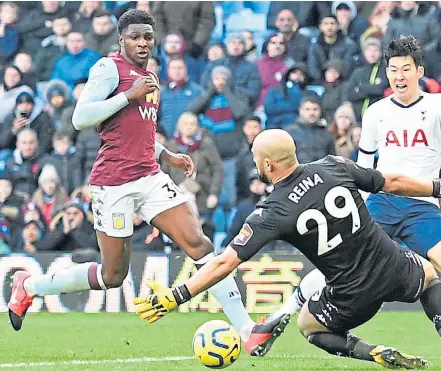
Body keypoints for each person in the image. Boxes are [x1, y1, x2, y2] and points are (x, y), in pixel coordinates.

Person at [7, 9, 287, 357]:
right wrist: (129, 94)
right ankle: (29, 285)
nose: (142, 43)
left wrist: (165, 153)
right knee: (113, 276)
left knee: (200, 245)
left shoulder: (148, 76)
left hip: (150, 177)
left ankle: (248, 331)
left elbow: (136, 128)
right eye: (135, 37)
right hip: (113, 185)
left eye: (148, 37)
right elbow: (80, 118)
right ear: (121, 39)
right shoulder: (109, 69)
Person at [133, 129, 441, 370]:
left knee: (308, 326)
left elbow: (225, 262)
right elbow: (391, 182)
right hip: (391, 264)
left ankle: (371, 352)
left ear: (267, 165)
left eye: (257, 159)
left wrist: (176, 295)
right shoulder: (334, 165)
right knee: (429, 277)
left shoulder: (270, 212)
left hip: (350, 294)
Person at [270, 35, 441, 359]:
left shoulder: (439, 104)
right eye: (393, 69)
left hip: (423, 205)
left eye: (406, 69)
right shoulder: (376, 112)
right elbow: (362, 165)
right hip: (382, 202)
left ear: (419, 70)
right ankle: (277, 317)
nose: (399, 76)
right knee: (337, 267)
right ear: (387, 72)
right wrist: (356, 203)